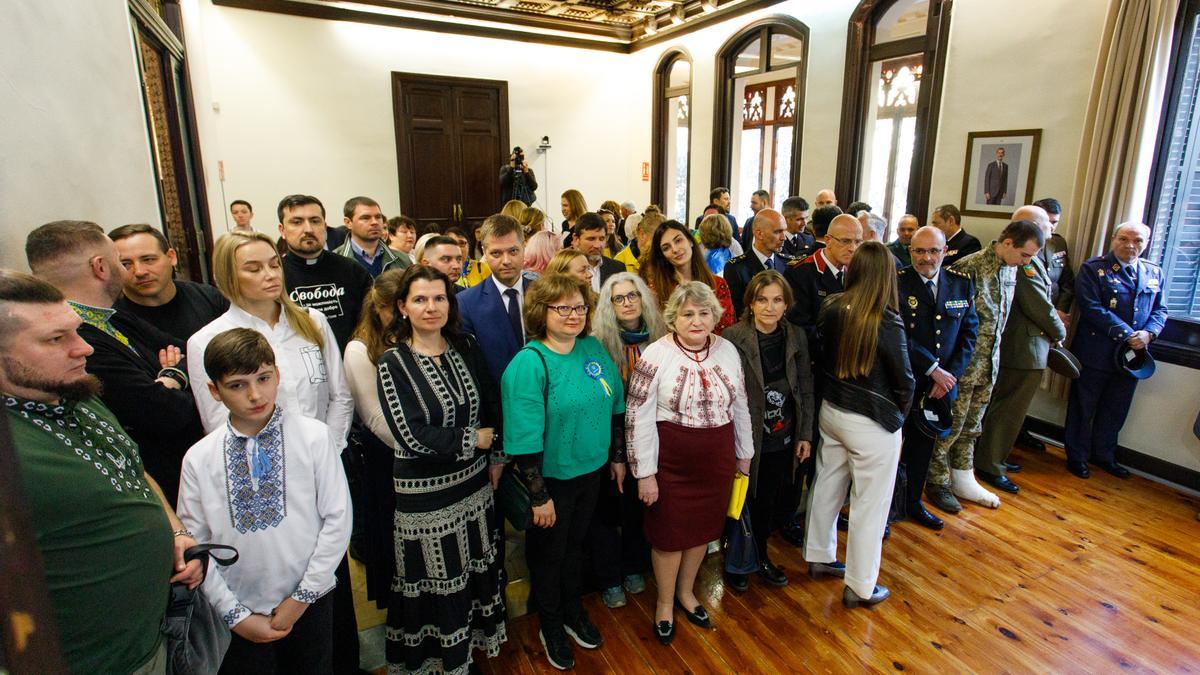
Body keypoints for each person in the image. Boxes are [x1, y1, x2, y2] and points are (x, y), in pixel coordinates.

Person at [1, 270, 204, 674]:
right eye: (56, 340)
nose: (84, 350)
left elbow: (130, 467)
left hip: (152, 640)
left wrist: (173, 529)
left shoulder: (74, 392)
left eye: (76, 332)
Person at [177, 328, 351, 674]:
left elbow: (337, 518)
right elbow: (196, 546)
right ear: (215, 390)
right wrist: (235, 615)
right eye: (237, 385)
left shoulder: (314, 437)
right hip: (238, 610)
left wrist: (302, 597)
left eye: (263, 378)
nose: (255, 395)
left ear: (277, 376)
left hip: (310, 600)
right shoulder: (199, 458)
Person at [375, 265, 508, 673]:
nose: (431, 307)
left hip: (475, 484)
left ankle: (471, 647)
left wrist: (497, 455)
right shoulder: (392, 362)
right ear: (402, 307)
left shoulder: (464, 345)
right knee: (438, 578)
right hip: (425, 496)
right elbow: (411, 435)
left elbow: (490, 401)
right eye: (420, 299)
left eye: (439, 298)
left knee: (473, 569)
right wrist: (475, 441)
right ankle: (444, 660)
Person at [25, 220, 205, 504]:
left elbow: (193, 352)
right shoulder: (77, 343)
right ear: (100, 266)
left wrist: (169, 379)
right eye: (121, 262)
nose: (129, 272)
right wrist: (175, 373)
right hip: (155, 490)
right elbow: (165, 413)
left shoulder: (111, 315)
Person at [501, 274, 625, 671]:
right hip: (550, 480)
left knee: (575, 549)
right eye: (563, 308)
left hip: (591, 471)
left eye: (580, 307)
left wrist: (618, 457)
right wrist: (539, 495)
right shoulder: (530, 362)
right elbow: (522, 437)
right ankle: (550, 624)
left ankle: (573, 613)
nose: (573, 315)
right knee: (548, 556)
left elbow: (616, 405)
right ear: (542, 312)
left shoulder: (591, 348)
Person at [626, 281, 753, 643]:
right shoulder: (655, 354)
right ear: (673, 319)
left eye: (703, 313)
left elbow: (740, 404)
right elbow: (637, 417)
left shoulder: (728, 349)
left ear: (715, 315)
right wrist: (645, 474)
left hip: (717, 459)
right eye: (687, 314)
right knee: (668, 537)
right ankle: (664, 603)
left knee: (702, 532)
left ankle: (687, 593)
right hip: (672, 464)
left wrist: (744, 454)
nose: (697, 321)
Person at [805, 241, 913, 608]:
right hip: (872, 420)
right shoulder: (886, 318)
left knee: (827, 486)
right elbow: (904, 381)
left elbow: (820, 355)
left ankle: (819, 555)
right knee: (870, 504)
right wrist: (899, 418)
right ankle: (862, 585)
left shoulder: (832, 306)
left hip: (832, 409)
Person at [187, 231, 354, 442]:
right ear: (228, 276)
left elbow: (340, 396)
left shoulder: (312, 321)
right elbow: (217, 422)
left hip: (324, 454)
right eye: (254, 269)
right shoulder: (207, 340)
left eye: (274, 265)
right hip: (261, 465)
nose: (270, 275)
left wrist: (329, 448)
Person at [925, 219, 1044, 513]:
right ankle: (937, 481)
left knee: (972, 426)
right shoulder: (969, 268)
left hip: (989, 363)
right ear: (1007, 243)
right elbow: (949, 323)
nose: (1027, 261)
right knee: (949, 426)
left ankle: (964, 476)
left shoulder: (1010, 270)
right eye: (1025, 254)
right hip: (962, 364)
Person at [722, 270, 813, 591]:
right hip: (745, 435)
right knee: (738, 499)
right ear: (750, 303)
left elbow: (804, 388)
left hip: (782, 434)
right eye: (762, 300)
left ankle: (760, 555)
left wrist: (804, 434)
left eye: (777, 300)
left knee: (768, 501)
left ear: (787, 304)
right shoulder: (734, 337)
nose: (769, 308)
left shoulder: (796, 336)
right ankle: (735, 560)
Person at [1065, 222, 1168, 479]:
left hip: (1132, 358)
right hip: (1096, 352)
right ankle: (1077, 457)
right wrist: (1127, 334)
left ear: (1146, 243)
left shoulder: (1153, 273)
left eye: (1137, 241)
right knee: (1083, 407)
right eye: (1124, 239)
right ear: (1113, 239)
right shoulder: (1094, 269)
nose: (1130, 245)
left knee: (1116, 408)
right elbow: (1090, 306)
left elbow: (1160, 310)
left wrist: (1149, 334)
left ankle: (1105, 456)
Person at [587, 272, 666, 608]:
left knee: (637, 507)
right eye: (619, 298)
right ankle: (608, 577)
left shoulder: (661, 338)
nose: (627, 302)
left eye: (632, 295)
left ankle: (634, 565)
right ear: (609, 305)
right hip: (609, 439)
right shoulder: (597, 344)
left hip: (649, 438)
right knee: (608, 509)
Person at [975, 206, 1066, 493]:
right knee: (1008, 410)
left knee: (1004, 408)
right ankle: (991, 463)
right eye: (1047, 224)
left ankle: (994, 456)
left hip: (1024, 344)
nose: (1051, 230)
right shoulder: (1022, 261)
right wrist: (1060, 332)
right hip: (1023, 345)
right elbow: (1038, 304)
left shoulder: (1032, 256)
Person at [895, 226, 979, 530]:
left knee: (922, 449)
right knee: (893, 450)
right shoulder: (897, 283)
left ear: (945, 252)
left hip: (941, 388)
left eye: (933, 251)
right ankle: (888, 508)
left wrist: (950, 376)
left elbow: (969, 334)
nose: (926, 258)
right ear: (910, 252)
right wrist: (933, 369)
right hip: (905, 381)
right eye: (919, 251)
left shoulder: (960, 284)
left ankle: (913, 502)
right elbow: (898, 334)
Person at [342, 269, 405, 610]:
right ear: (378, 307)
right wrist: (425, 447)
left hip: (423, 453)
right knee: (395, 547)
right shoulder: (360, 349)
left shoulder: (416, 335)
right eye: (393, 309)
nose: (401, 316)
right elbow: (376, 418)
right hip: (389, 460)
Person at [276, 194, 374, 351]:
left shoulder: (352, 270)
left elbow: (371, 321)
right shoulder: (275, 276)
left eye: (315, 221)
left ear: (325, 226)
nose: (308, 229)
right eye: (297, 222)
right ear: (282, 230)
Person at [1017, 197, 1076, 451]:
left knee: (1025, 392)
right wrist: (1055, 323)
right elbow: (1032, 298)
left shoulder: (1057, 243)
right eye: (1048, 223)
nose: (1051, 229)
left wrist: (1061, 310)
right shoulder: (1021, 251)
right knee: (1014, 392)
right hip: (1028, 326)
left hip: (1050, 322)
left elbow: (1066, 281)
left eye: (1055, 223)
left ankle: (1017, 432)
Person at [109, 223, 230, 342]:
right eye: (125, 264)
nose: (140, 272)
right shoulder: (111, 320)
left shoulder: (210, 299)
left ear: (171, 257)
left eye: (148, 259)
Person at [458, 214, 535, 384]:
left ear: (524, 247)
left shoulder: (544, 292)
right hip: (495, 400)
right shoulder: (467, 303)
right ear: (484, 252)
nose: (506, 260)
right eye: (496, 253)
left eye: (513, 251)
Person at [640, 219, 736, 334]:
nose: (675, 249)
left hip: (714, 349)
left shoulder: (717, 283)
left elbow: (726, 329)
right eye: (666, 248)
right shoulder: (656, 289)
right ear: (663, 256)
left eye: (678, 240)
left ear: (690, 241)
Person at [785, 213, 862, 348]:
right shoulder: (801, 272)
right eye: (845, 241)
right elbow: (800, 328)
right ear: (828, 241)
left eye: (857, 242)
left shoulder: (856, 273)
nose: (852, 248)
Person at [725, 209, 790, 318]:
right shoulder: (736, 268)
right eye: (777, 232)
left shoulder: (789, 264)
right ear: (759, 233)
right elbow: (738, 311)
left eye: (784, 231)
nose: (783, 237)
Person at [333, 196, 410, 277]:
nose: (374, 222)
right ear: (348, 223)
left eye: (378, 217)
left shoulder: (402, 260)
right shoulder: (333, 261)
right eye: (365, 218)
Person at [574, 212, 626, 294]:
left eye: (602, 239)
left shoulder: (618, 268)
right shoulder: (566, 269)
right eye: (591, 239)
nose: (597, 245)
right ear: (576, 239)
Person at [615, 208, 663, 274]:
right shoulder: (619, 263)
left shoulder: (665, 260)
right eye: (658, 239)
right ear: (642, 234)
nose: (661, 245)